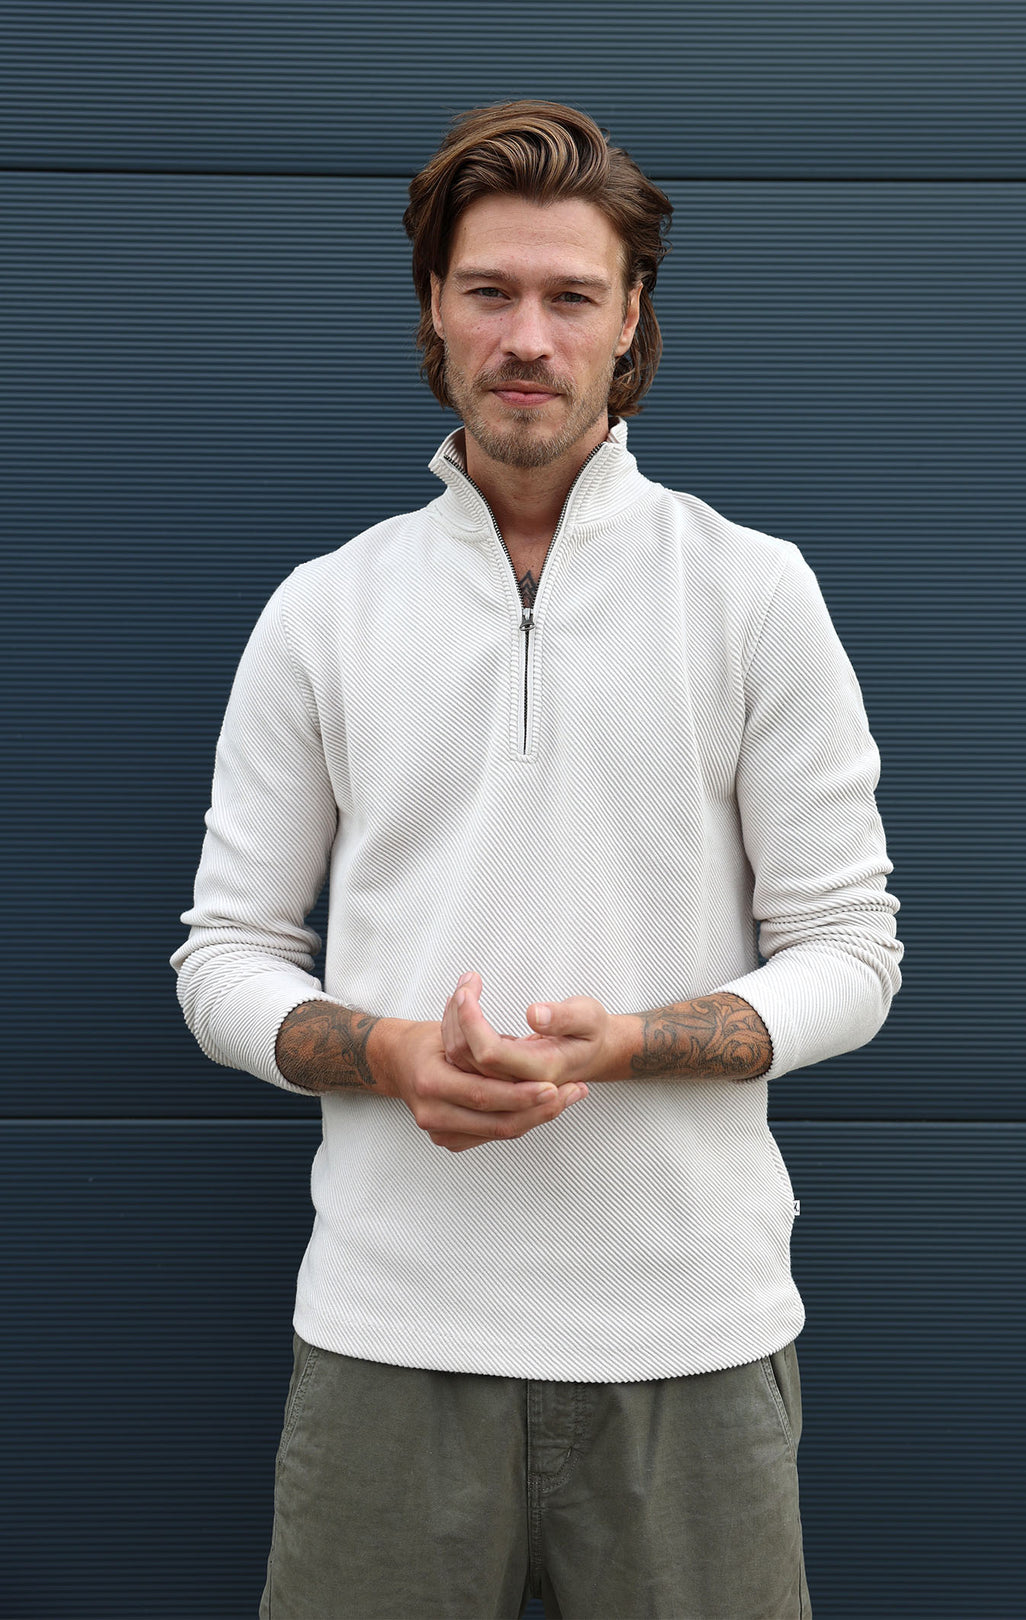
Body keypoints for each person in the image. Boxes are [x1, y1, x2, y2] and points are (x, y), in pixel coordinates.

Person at [172, 99, 901, 1620]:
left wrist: (630, 1041)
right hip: (389, 1340)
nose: (528, 337)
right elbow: (225, 956)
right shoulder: (325, 609)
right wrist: (385, 1052)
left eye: (572, 297)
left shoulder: (754, 592)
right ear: (434, 310)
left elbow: (851, 951)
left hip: (692, 1346)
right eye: (490, 291)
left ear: (631, 321)